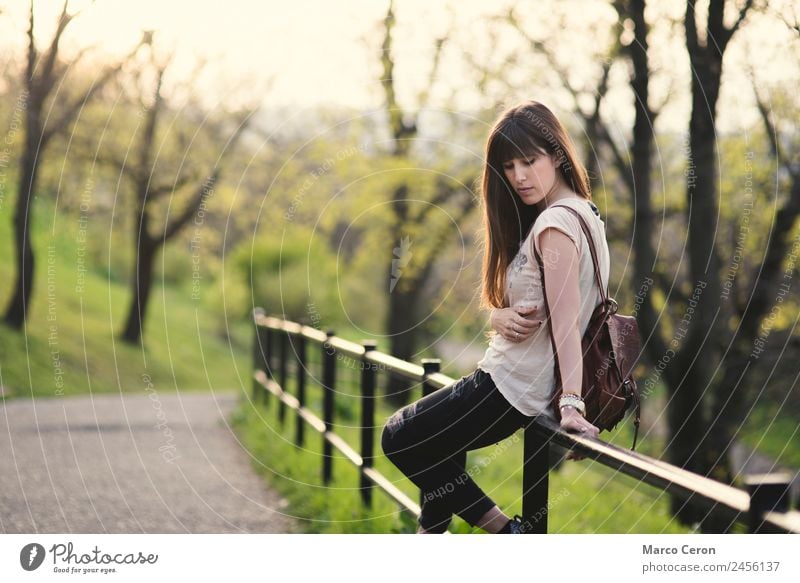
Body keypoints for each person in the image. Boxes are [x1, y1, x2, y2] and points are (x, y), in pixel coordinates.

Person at [381, 100, 610, 534]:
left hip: (511, 386)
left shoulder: (556, 224)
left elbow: (567, 321)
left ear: (557, 155)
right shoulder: (585, 214)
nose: (520, 176)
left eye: (530, 161)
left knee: (399, 436)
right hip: (512, 380)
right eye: (509, 166)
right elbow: (543, 304)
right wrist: (499, 316)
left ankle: (507, 533)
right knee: (437, 449)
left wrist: (572, 403)